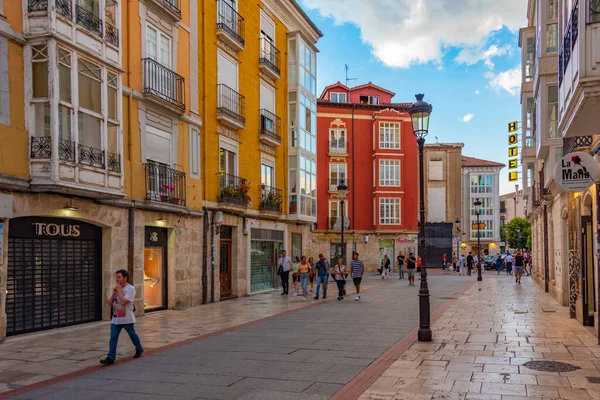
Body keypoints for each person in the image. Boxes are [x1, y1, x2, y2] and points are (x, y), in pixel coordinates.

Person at [100, 270, 143, 366]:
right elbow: (110, 303)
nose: (117, 279)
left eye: (119, 277)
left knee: (132, 334)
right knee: (113, 338)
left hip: (127, 318)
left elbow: (124, 302)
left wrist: (119, 291)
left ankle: (139, 348)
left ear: (125, 277)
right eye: (116, 277)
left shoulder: (130, 289)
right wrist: (113, 293)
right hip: (116, 318)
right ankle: (110, 357)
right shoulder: (116, 288)